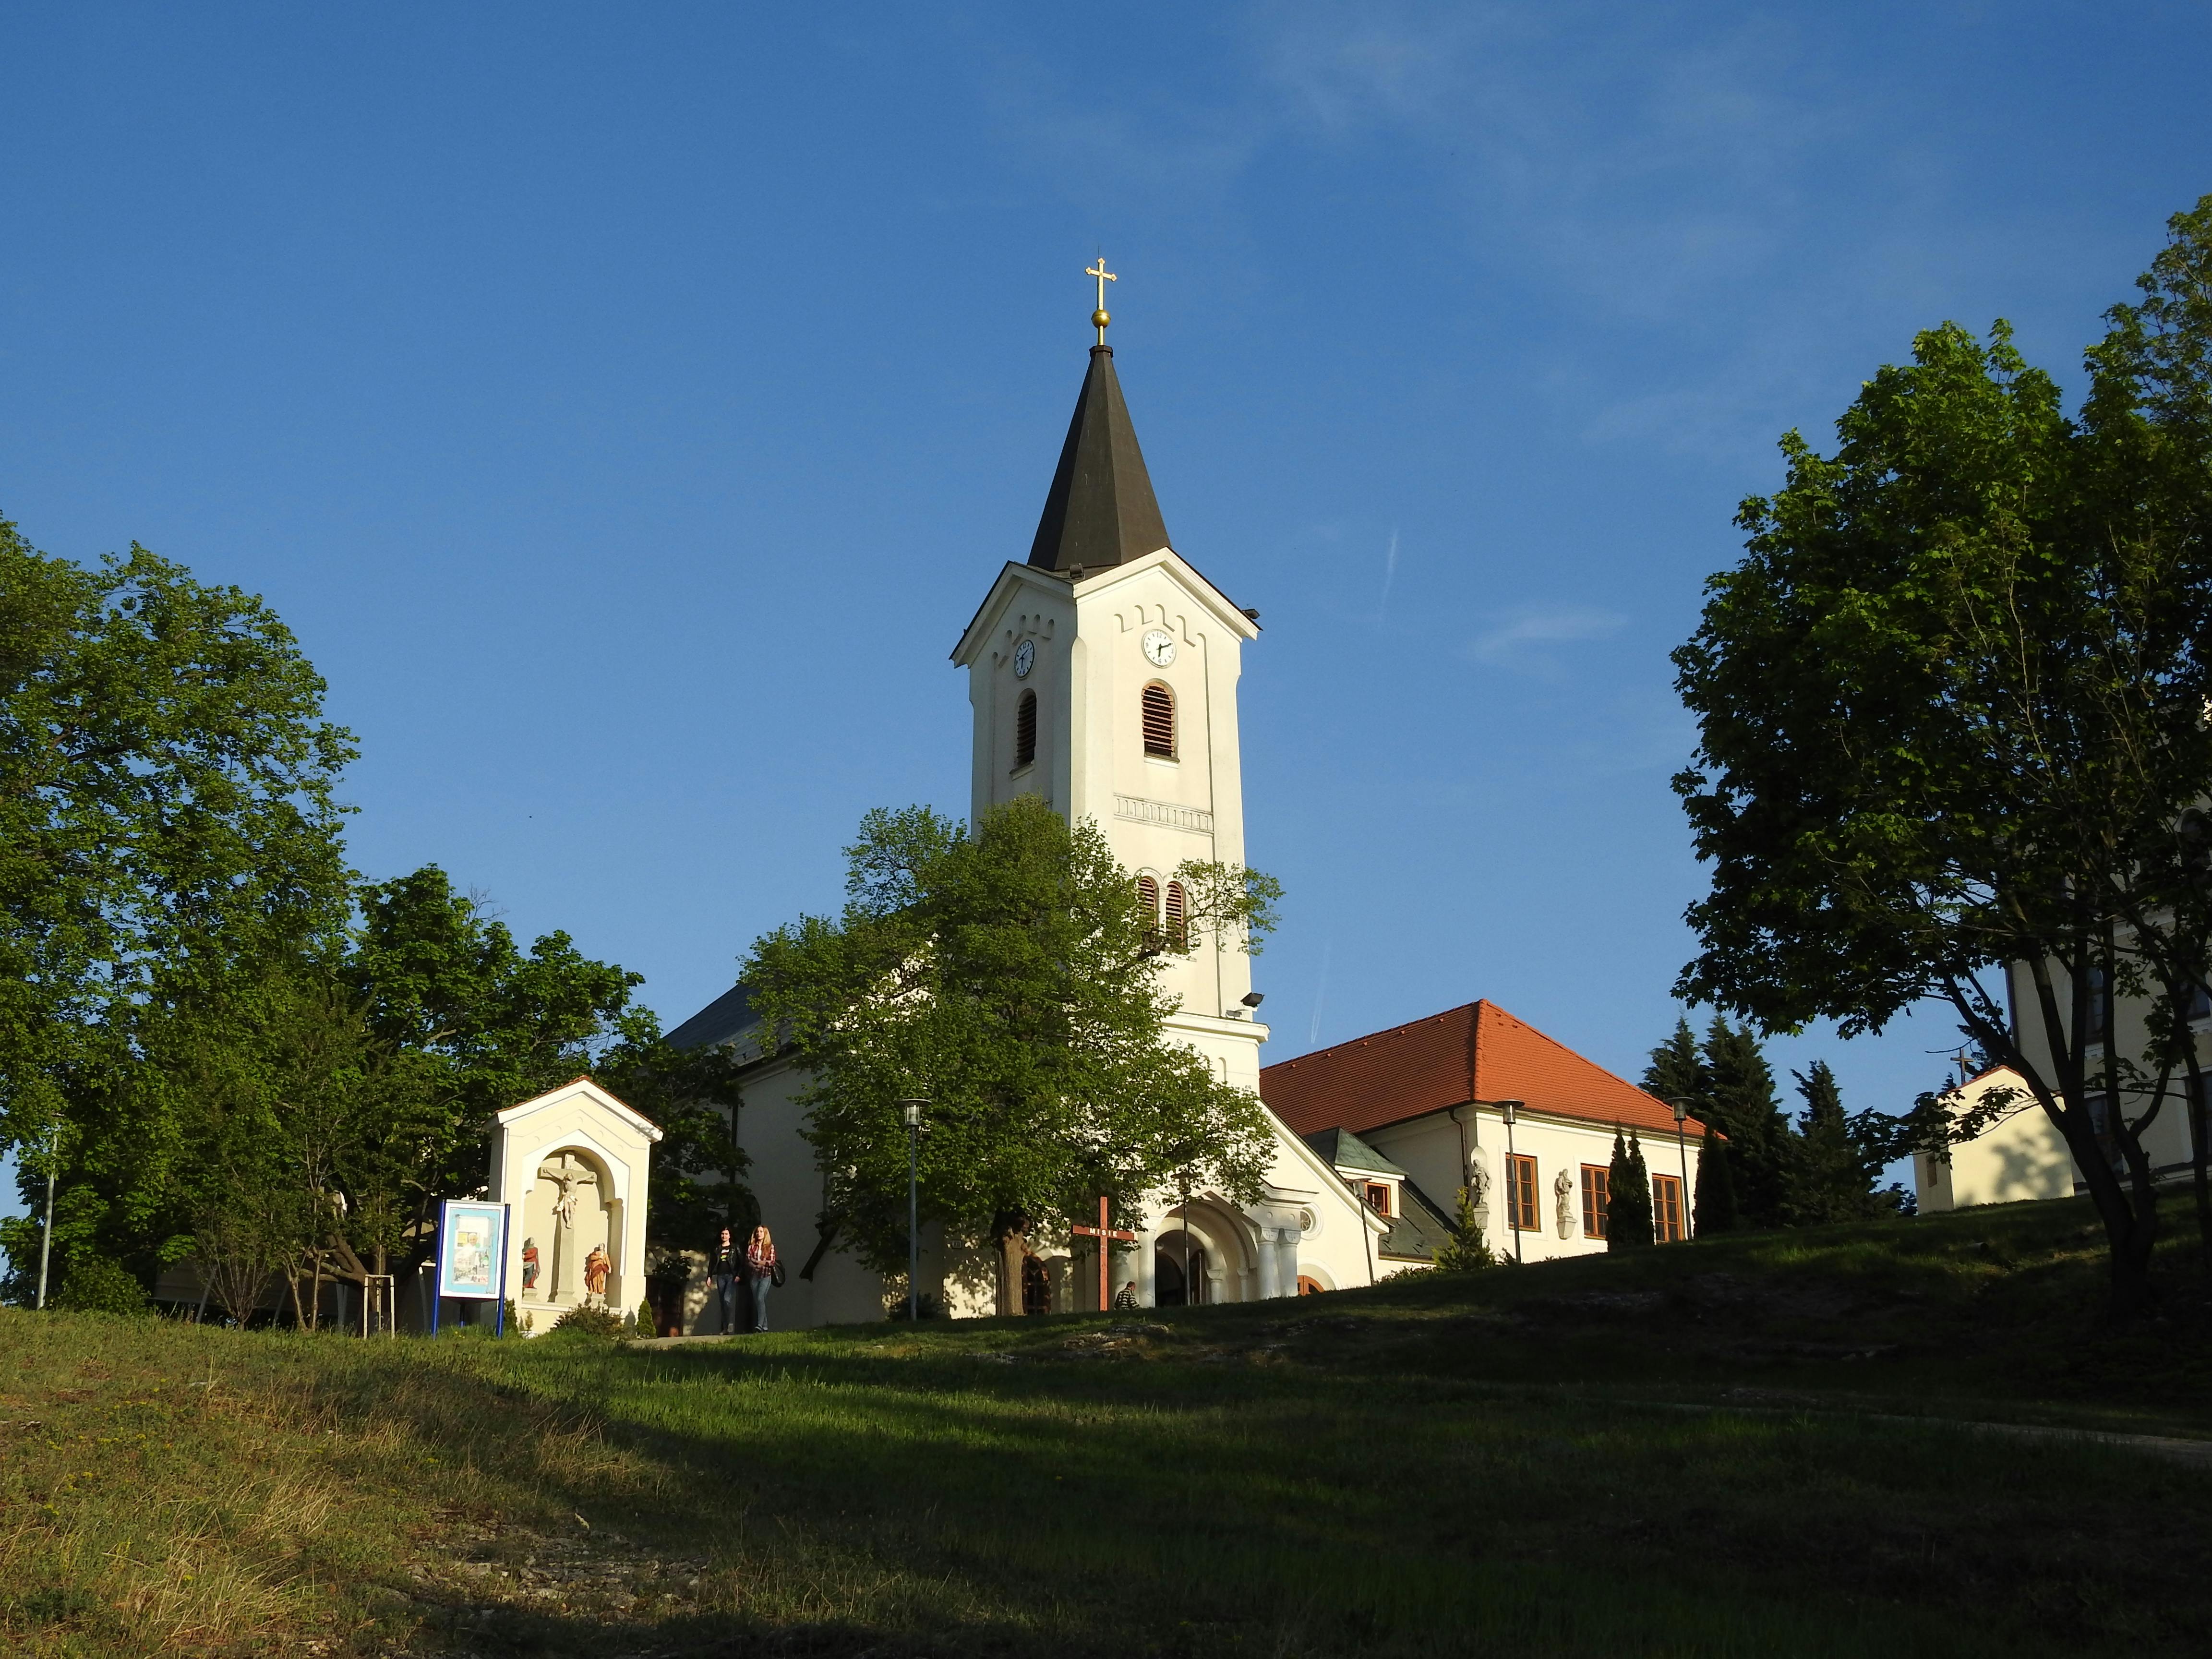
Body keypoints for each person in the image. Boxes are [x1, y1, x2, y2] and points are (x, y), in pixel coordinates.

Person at [709, 1225, 744, 1334]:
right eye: (723, 1234)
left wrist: (739, 1275)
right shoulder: (717, 1248)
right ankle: (725, 1328)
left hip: (731, 1277)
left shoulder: (734, 1247)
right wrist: (709, 1276)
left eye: (726, 1234)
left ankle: (730, 1324)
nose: (724, 1236)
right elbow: (712, 1263)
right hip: (720, 1276)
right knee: (722, 1303)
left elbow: (741, 1262)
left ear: (730, 1236)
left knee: (727, 1299)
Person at [745, 1224, 779, 1333]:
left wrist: (760, 1263)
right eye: (757, 1232)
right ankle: (765, 1326)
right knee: (758, 1301)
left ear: (765, 1234)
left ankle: (759, 1325)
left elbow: (771, 1262)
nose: (759, 1234)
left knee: (760, 1298)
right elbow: (749, 1258)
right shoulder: (752, 1247)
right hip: (755, 1276)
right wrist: (756, 1265)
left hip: (766, 1275)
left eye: (761, 1232)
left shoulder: (770, 1247)